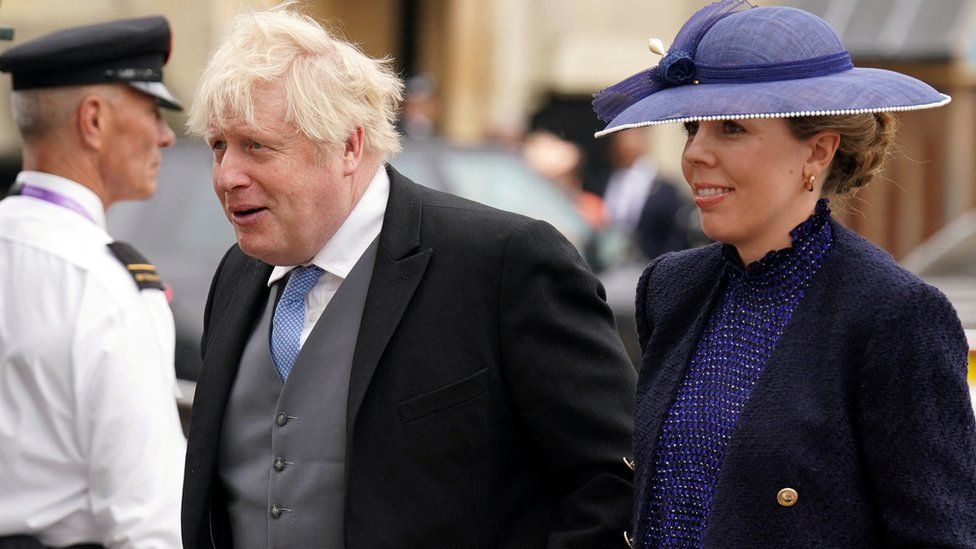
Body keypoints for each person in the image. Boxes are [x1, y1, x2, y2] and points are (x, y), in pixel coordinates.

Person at [181, 5, 637, 548]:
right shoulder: (237, 276)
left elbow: (611, 481)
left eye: (256, 145)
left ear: (348, 145)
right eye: (217, 147)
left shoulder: (503, 263)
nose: (228, 176)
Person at [593, 1, 976, 547]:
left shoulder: (894, 314)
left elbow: (936, 534)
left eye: (731, 128)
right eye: (692, 127)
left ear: (817, 152)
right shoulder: (671, 287)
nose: (696, 153)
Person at [0, 16, 185, 548]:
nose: (167, 136)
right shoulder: (105, 287)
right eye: (154, 112)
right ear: (95, 121)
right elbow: (149, 524)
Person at [601, 129, 691, 261]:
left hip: (654, 261)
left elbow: (674, 234)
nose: (627, 143)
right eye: (622, 138)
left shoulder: (663, 187)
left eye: (633, 136)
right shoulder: (609, 180)